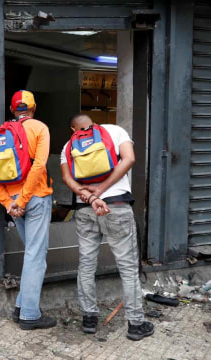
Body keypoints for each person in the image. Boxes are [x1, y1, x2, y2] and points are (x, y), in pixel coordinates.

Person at [60, 114, 153, 341]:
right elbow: (129, 159)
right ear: (94, 123)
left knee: (87, 264)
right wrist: (101, 190)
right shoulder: (115, 130)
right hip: (116, 207)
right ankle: (136, 324)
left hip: (84, 209)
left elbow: (67, 179)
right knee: (128, 268)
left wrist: (88, 195)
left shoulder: (68, 145)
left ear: (73, 129)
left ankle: (89, 319)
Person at [0, 90, 56, 330]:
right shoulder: (39, 127)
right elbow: (39, 164)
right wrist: (24, 199)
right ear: (33, 108)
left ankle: (20, 307)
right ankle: (29, 315)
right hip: (35, 198)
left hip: (15, 201)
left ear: (12, 109)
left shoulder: (1, 132)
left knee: (32, 254)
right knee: (36, 256)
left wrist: (9, 202)